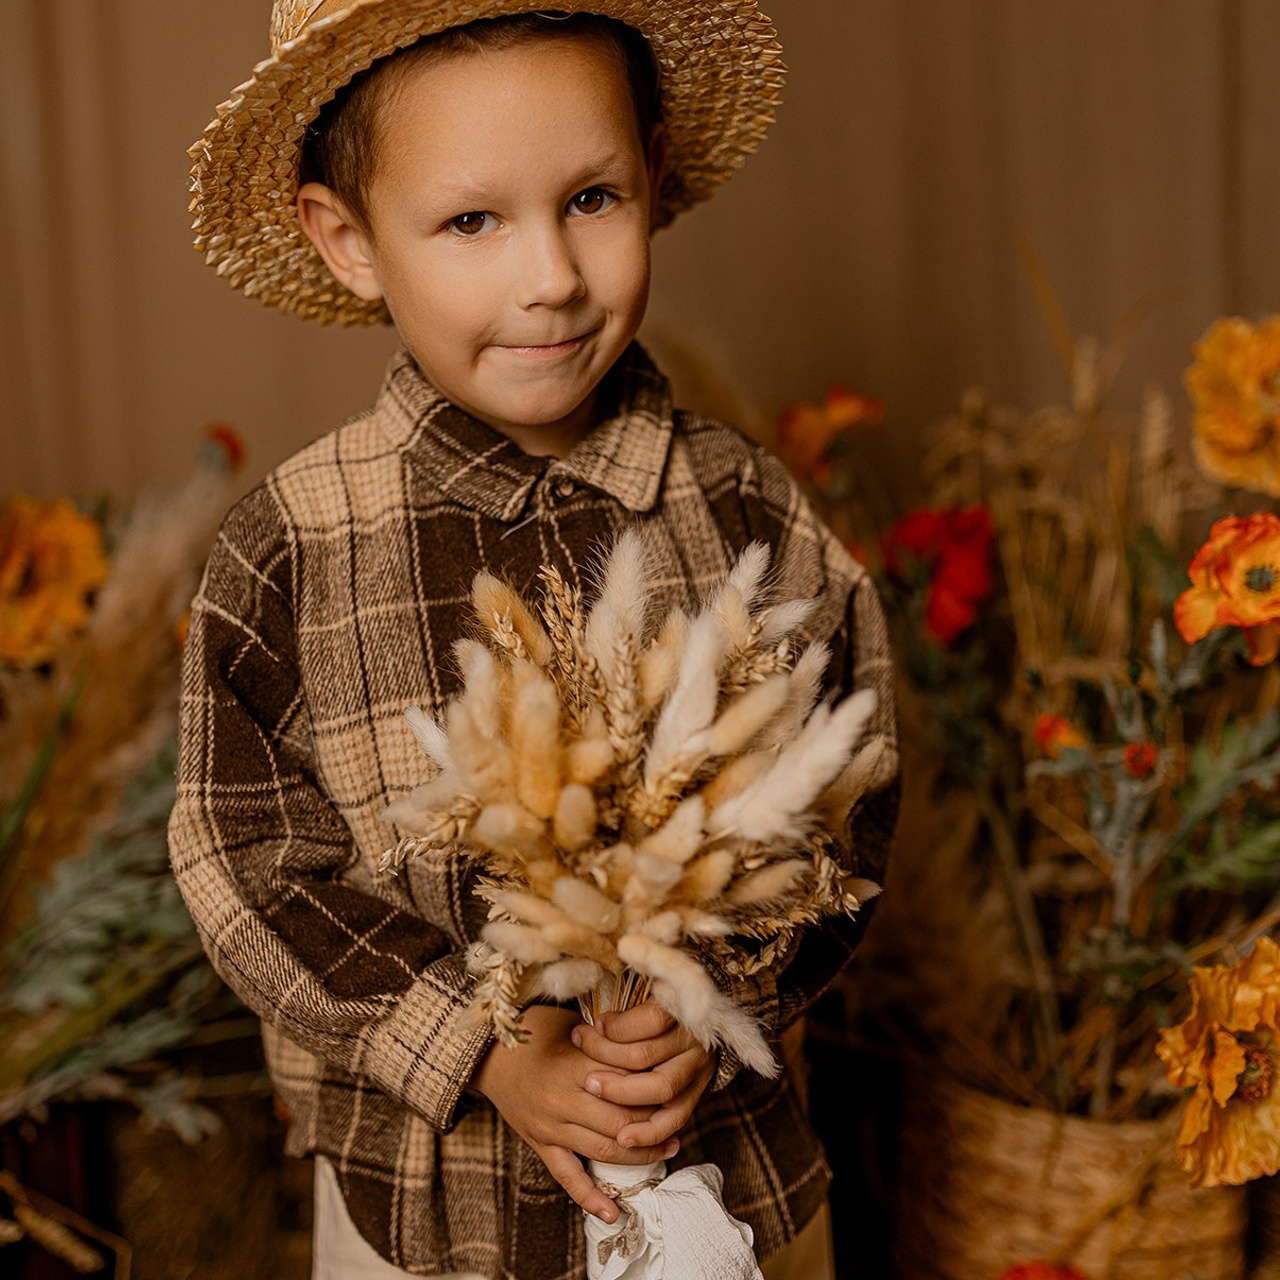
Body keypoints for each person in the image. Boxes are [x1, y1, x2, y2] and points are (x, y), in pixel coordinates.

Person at [171, 3, 899, 1278]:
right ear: (348, 241)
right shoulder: (291, 547)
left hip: (735, 1194)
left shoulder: (742, 506)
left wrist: (717, 997)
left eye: (592, 198)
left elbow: (848, 786)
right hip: (430, 1219)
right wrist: (482, 1043)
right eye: (470, 221)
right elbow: (249, 868)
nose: (551, 274)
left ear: (654, 175)